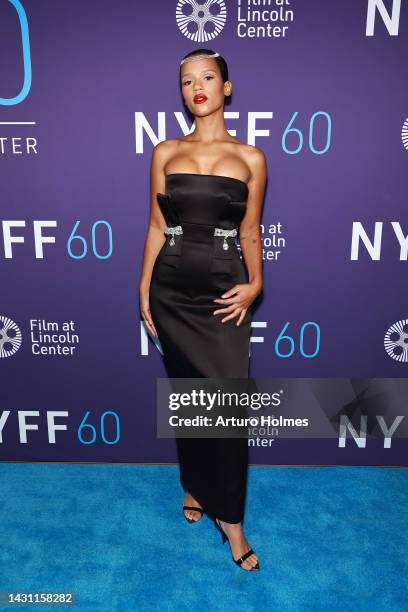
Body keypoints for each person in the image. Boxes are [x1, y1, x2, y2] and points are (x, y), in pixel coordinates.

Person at [139, 48, 266, 571]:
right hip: (172, 290)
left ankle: (231, 523)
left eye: (208, 77)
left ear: (226, 88)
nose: (198, 86)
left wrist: (256, 284)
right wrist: (144, 288)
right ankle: (194, 485)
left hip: (222, 292)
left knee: (230, 408)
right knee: (189, 394)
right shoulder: (165, 151)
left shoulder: (252, 158)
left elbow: (250, 230)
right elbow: (155, 225)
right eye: (187, 79)